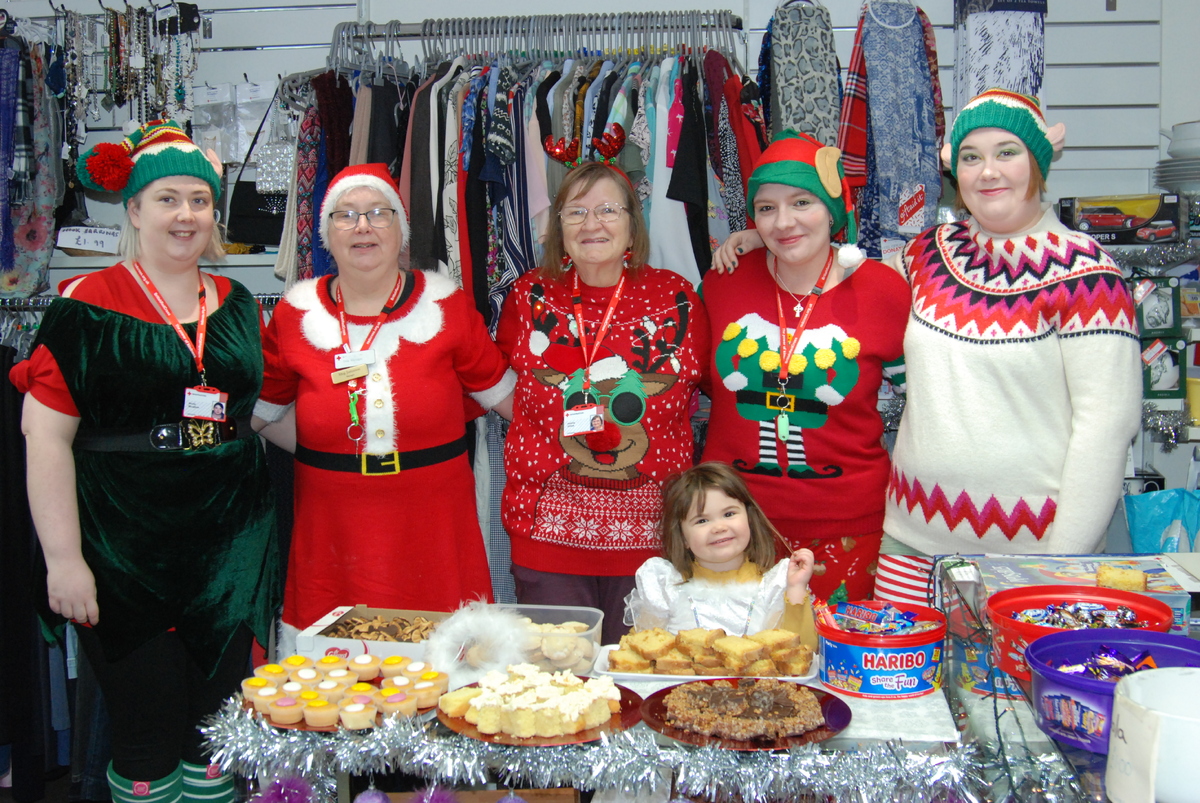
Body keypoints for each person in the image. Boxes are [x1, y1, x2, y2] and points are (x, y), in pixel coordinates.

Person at [11, 122, 277, 803]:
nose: (185, 215)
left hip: (227, 555)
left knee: (217, 737)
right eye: (167, 198)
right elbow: (43, 437)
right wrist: (64, 559)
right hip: (123, 552)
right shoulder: (86, 305)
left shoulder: (240, 306)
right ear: (133, 209)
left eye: (198, 199)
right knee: (146, 736)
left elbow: (263, 415)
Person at [874, 89, 1142, 601]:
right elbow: (847, 291)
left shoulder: (1087, 275)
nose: (988, 171)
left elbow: (1106, 431)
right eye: (971, 157)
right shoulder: (924, 255)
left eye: (1007, 152)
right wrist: (765, 241)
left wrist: (1056, 568)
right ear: (956, 172)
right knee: (901, 682)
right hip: (907, 546)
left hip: (1028, 557)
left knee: (1011, 684)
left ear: (1039, 163)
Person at [253, 164, 515, 647]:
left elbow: (509, 400)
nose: (362, 226)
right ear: (326, 235)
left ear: (402, 231)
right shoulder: (294, 313)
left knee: (442, 674)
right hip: (334, 534)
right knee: (337, 679)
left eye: (378, 213)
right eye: (345, 215)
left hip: (432, 529)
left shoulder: (446, 305)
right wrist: (323, 448)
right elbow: (261, 412)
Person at [496, 160, 709, 646]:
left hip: (651, 542)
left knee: (639, 681)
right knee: (554, 686)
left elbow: (700, 395)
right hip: (546, 540)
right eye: (576, 212)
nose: (592, 224)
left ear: (633, 223)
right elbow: (499, 385)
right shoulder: (529, 296)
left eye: (608, 210)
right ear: (558, 229)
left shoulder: (675, 298)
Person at [703, 131, 909, 603]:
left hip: (849, 527)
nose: (783, 222)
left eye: (801, 202)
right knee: (740, 666)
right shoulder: (723, 282)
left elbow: (922, 402)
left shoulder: (882, 290)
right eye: (767, 208)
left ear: (832, 210)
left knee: (841, 668)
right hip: (734, 528)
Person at [625, 462, 817, 649]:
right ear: (682, 537)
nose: (719, 527)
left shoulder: (774, 586)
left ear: (749, 519)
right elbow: (643, 650)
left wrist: (796, 588)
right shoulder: (666, 585)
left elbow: (803, 652)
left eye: (729, 514)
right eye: (702, 520)